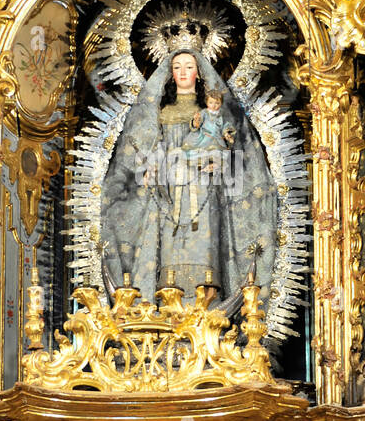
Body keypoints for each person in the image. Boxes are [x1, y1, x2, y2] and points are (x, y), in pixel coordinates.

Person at [100, 46, 277, 303]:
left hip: (207, 189)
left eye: (189, 67)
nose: (183, 72)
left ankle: (208, 301)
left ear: (199, 73)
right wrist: (152, 168)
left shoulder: (213, 115)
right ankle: (170, 302)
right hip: (171, 193)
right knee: (170, 247)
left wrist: (220, 162)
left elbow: (233, 150)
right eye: (177, 67)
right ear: (170, 74)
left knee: (207, 245)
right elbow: (150, 154)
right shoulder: (163, 114)